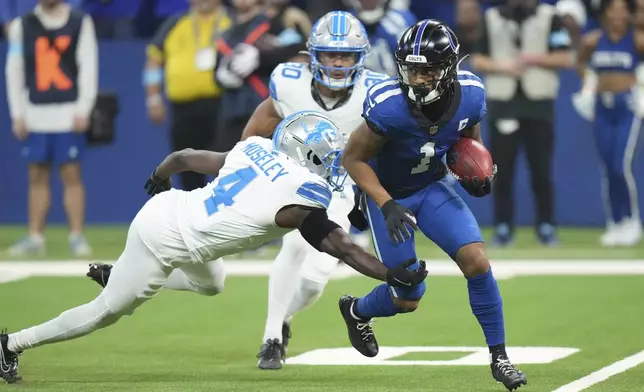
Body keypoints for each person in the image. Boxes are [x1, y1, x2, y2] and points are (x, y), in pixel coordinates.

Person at [0, 111, 427, 384]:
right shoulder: (300, 200)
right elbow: (346, 250)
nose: (333, 162)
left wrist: (159, 174)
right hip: (165, 240)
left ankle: (122, 273)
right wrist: (391, 275)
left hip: (173, 213)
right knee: (105, 313)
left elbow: (184, 156)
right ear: (306, 156)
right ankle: (11, 344)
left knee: (213, 284)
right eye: (326, 155)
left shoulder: (257, 148)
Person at [340, 20, 528, 391]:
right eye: (411, 70)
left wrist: (472, 172)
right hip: (390, 195)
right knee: (408, 296)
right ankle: (357, 310)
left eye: (427, 70)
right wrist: (386, 204)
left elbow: (467, 141)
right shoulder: (389, 104)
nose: (418, 79)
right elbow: (353, 159)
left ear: (449, 69)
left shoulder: (471, 94)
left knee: (477, 260)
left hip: (430, 187)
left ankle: (500, 356)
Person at [238, 10, 390, 369]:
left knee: (315, 281)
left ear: (360, 58)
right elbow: (252, 133)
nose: (338, 63)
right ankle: (271, 337)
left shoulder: (376, 90)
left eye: (347, 56)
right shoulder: (289, 83)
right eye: (331, 54)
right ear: (313, 55)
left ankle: (284, 320)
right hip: (292, 177)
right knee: (291, 246)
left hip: (339, 187)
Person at [470, 0, 574, 247]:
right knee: (501, 172)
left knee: (541, 171)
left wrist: (534, 58)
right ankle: (503, 227)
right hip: (503, 104)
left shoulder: (551, 16)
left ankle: (546, 226)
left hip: (538, 106)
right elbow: (478, 60)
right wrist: (503, 65)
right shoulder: (492, 17)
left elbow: (565, 58)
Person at [5, 0, 97, 256]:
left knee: (71, 175)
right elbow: (14, 70)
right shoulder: (22, 25)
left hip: (68, 113)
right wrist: (17, 113)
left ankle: (77, 236)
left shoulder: (80, 21)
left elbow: (88, 66)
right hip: (35, 113)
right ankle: (35, 236)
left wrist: (84, 108)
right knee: (36, 176)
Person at [573, 0, 643, 247]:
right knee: (607, 166)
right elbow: (579, 61)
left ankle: (632, 221)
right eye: (613, 9)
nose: (617, 15)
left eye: (622, 10)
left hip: (627, 108)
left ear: (628, 14)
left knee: (620, 164)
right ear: (605, 14)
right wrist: (589, 81)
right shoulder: (593, 40)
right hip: (603, 107)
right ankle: (615, 222)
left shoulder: (637, 39)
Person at [144, 0, 232, 191]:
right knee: (186, 165)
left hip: (222, 105)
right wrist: (153, 98)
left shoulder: (231, 21)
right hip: (184, 109)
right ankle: (194, 212)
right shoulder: (174, 23)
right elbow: (153, 60)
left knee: (227, 162)